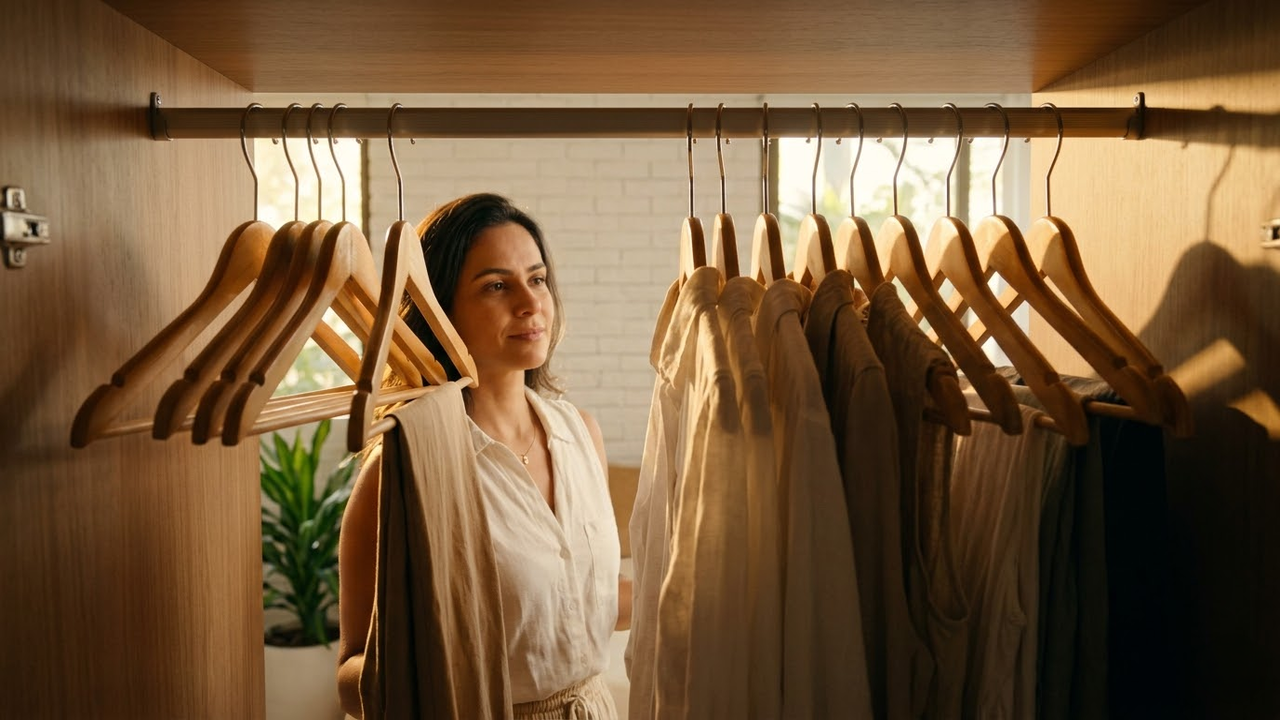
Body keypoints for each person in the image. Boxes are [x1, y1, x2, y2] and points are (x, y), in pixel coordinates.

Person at [336, 193, 631, 719]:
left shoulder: (580, 433)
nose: (530, 302)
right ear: (438, 309)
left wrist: (707, 586)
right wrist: (427, 656)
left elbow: (580, 604)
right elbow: (351, 672)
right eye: (496, 286)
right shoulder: (404, 468)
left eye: (537, 279)